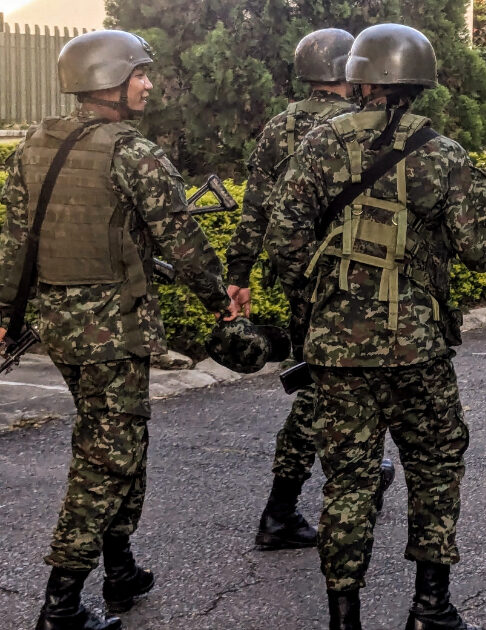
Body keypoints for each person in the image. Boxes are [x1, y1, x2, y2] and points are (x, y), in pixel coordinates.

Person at [264, 24, 486, 630]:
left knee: (348, 480)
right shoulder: (443, 153)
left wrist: (322, 302)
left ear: (359, 78)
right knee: (435, 464)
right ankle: (430, 607)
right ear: (419, 83)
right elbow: (482, 249)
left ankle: (344, 618)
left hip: (336, 351)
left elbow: (283, 241)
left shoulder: (319, 144)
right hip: (417, 349)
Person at [0, 30, 234, 629]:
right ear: (109, 80)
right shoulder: (134, 154)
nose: (148, 84)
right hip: (112, 332)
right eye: (140, 74)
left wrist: (5, 315)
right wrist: (222, 304)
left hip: (59, 329)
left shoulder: (33, 145)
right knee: (106, 459)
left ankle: (121, 568)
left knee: (119, 440)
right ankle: (61, 605)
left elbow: (13, 243)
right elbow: (183, 242)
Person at [223, 27, 396, 552]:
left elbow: (255, 209)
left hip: (297, 277)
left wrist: (240, 273)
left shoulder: (280, 126)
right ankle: (287, 507)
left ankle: (355, 475)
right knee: (330, 388)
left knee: (320, 381)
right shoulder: (360, 126)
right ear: (350, 70)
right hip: (351, 280)